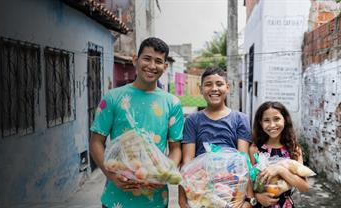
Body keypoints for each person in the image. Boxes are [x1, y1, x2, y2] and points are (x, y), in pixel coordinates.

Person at [89, 37, 184, 208]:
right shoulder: (112, 98)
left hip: (156, 199)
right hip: (116, 198)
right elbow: (96, 142)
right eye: (147, 58)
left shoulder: (173, 103)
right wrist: (111, 176)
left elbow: (176, 148)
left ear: (165, 66)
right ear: (135, 60)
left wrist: (163, 174)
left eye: (158, 61)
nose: (152, 66)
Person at [178, 67, 254, 208]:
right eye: (208, 84)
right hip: (201, 190)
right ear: (201, 89)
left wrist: (248, 200)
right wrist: (183, 199)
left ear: (227, 87)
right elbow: (187, 161)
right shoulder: (192, 120)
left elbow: (244, 160)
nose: (214, 89)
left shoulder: (240, 119)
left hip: (233, 190)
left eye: (219, 84)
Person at [249, 101, 309, 208]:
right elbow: (248, 182)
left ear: (285, 120)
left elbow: (304, 187)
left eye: (276, 119)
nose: (272, 125)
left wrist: (280, 170)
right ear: (260, 123)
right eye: (266, 120)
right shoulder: (255, 149)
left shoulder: (294, 150)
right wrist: (257, 196)